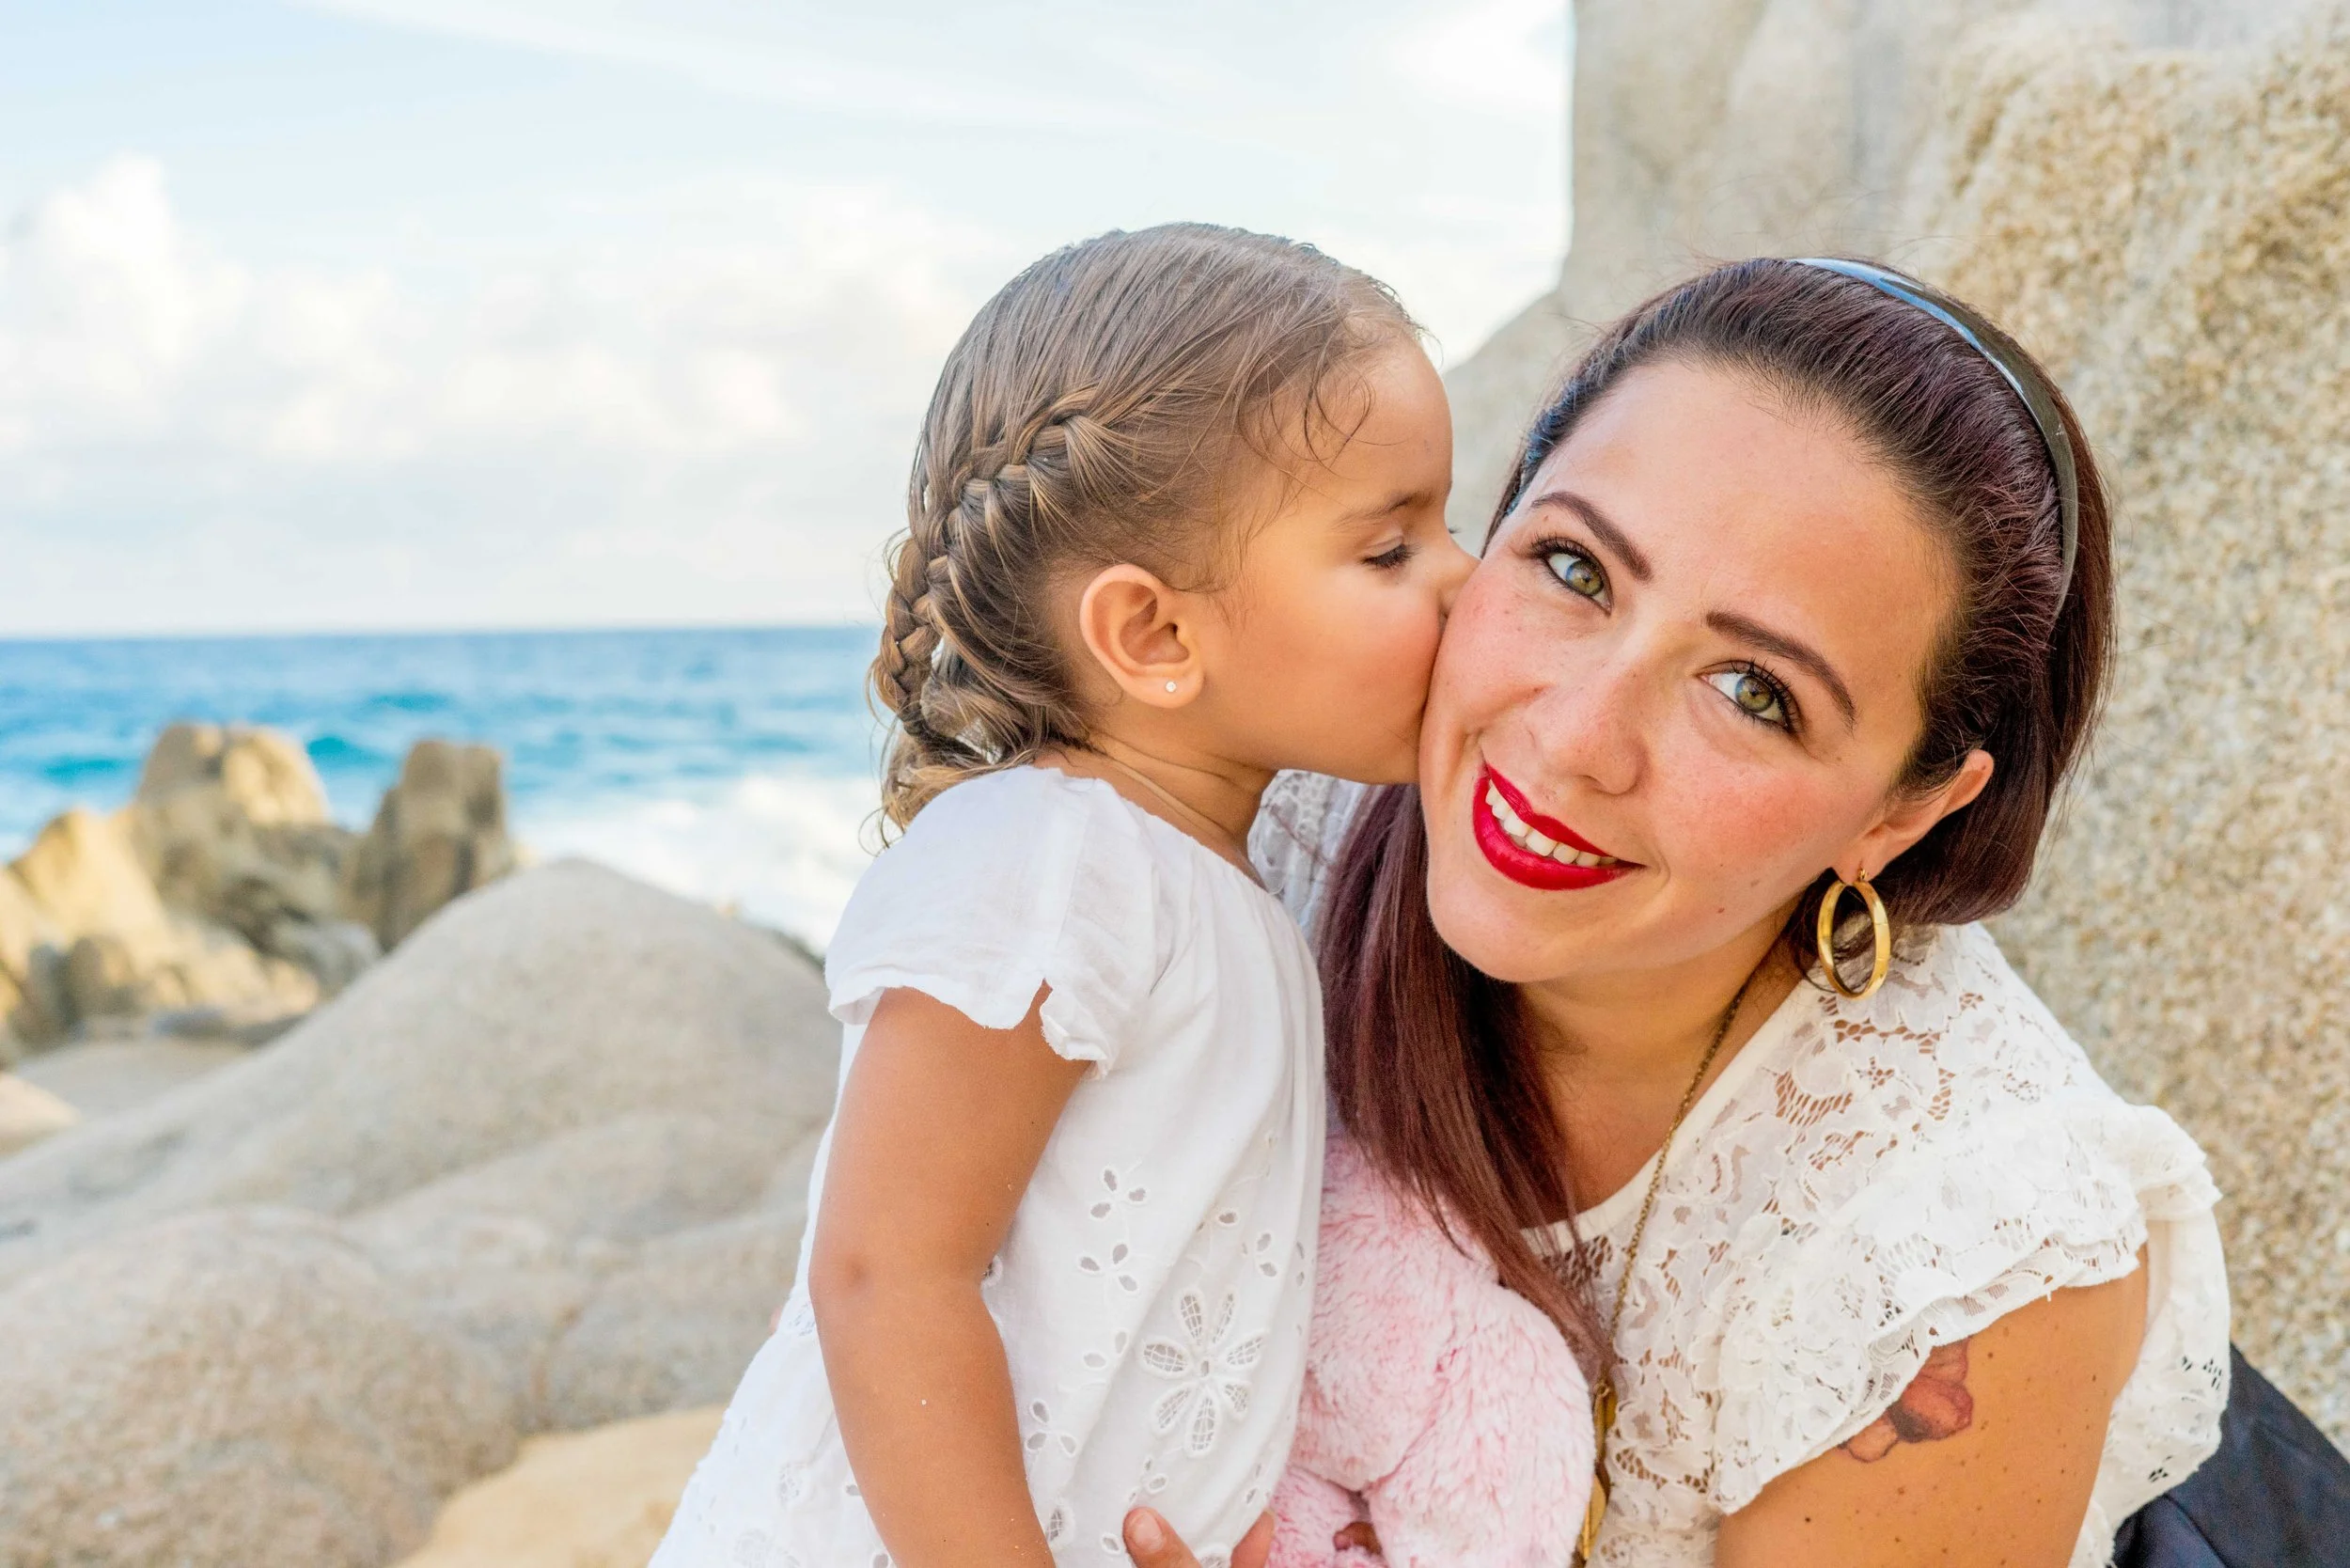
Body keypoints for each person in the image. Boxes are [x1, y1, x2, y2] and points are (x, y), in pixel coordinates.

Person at [1130, 257, 2235, 1568]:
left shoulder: (1961, 1256)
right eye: (1575, 569)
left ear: (1905, 812)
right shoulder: (1248, 825)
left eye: (1754, 691)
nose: (1576, 739)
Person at [649, 222, 1498, 1568]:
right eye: (1390, 548)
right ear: (1155, 636)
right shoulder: (1052, 862)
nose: (1464, 575)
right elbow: (886, 1275)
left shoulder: (1222, 880)